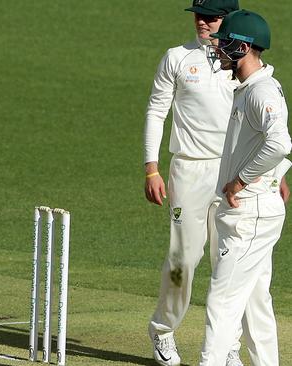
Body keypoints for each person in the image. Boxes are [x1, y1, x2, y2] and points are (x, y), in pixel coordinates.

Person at [142, 1, 251, 365]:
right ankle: (163, 329)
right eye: (198, 15)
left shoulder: (241, 63)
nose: (203, 22)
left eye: (212, 17)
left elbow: (260, 120)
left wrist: (267, 174)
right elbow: (157, 109)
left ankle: (228, 343)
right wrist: (151, 168)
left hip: (233, 174)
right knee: (183, 258)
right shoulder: (176, 57)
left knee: (230, 261)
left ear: (229, 20)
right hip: (188, 172)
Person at [200, 9, 291, 365]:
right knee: (255, 304)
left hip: (249, 215)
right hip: (252, 211)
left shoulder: (261, 91)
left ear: (243, 46)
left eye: (224, 42)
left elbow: (280, 142)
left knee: (222, 303)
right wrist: (276, 174)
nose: (218, 47)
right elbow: (271, 145)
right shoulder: (251, 88)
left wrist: (241, 180)